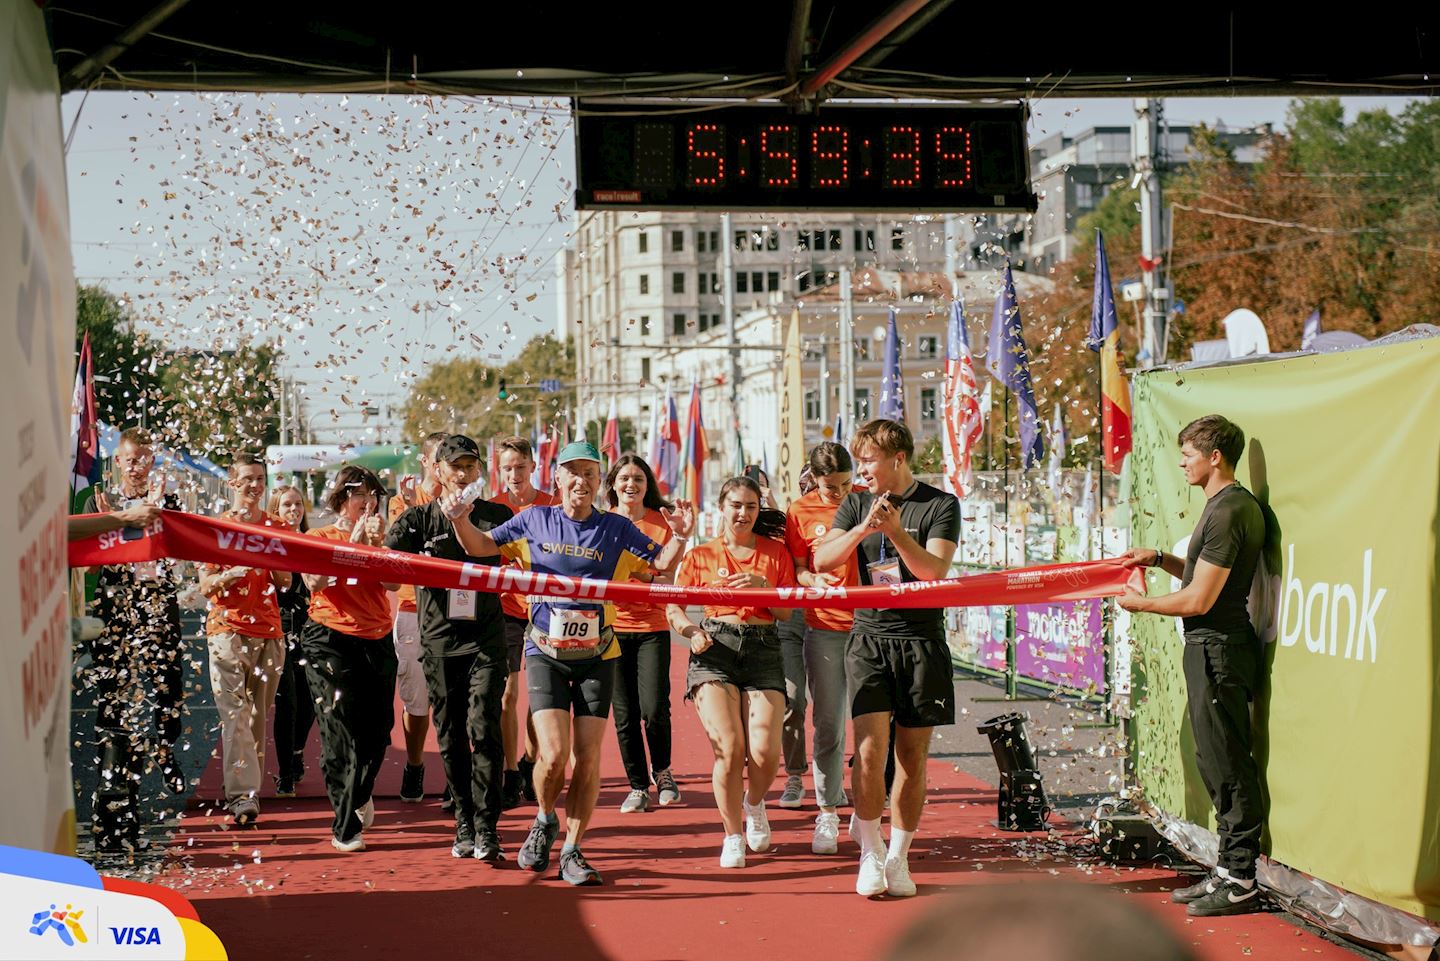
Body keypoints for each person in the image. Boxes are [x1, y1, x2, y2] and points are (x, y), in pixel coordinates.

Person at [448, 440, 693, 886]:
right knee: (554, 755)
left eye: (590, 473)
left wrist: (678, 534)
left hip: (599, 653)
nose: (581, 481)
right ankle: (543, 819)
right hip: (545, 651)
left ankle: (574, 849)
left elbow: (658, 564)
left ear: (600, 482)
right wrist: (460, 520)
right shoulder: (535, 518)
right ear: (557, 478)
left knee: (588, 758)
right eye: (572, 472)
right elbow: (482, 547)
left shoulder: (615, 527)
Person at [1117, 414, 1267, 918]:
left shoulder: (1230, 511)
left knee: (1228, 765)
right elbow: (1204, 577)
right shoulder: (1222, 508)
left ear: (1215, 457)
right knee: (1214, 761)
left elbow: (1201, 599)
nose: (1181, 463)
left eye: (1188, 454)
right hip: (1210, 648)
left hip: (1219, 647)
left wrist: (1141, 605)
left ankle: (1242, 878)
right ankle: (1227, 870)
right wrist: (1160, 558)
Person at [812, 419, 959, 898]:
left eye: (869, 459)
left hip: (922, 643)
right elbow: (822, 561)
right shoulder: (855, 501)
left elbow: (932, 570)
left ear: (898, 459)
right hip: (869, 638)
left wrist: (895, 532)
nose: (863, 469)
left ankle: (899, 856)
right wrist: (862, 529)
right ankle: (870, 850)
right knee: (870, 751)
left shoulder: (940, 504)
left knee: (912, 758)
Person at [386, 435, 513, 862]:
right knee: (453, 734)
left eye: (470, 467)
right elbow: (385, 571)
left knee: (484, 726)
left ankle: (488, 827)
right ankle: (463, 821)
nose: (462, 474)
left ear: (480, 471)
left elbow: (507, 555)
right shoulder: (416, 520)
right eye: (454, 466)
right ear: (437, 470)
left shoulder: (497, 514)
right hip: (439, 641)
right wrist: (369, 540)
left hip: (486, 639)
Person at [668, 476, 797, 869]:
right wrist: (691, 632)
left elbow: (786, 612)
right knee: (730, 748)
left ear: (759, 511)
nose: (743, 513)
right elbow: (673, 606)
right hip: (714, 648)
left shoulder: (775, 554)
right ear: (722, 507)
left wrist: (763, 588)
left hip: (763, 647)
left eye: (751, 507)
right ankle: (732, 835)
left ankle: (754, 804)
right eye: (736, 505)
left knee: (765, 752)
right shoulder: (700, 555)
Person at [79, 427, 188, 853]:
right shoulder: (98, 503)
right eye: (132, 459)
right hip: (115, 614)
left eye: (147, 458)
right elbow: (87, 570)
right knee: (116, 715)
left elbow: (181, 554)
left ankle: (165, 746)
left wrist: (159, 515)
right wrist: (110, 526)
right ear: (118, 463)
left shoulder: (167, 501)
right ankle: (114, 820)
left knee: (169, 698)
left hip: (158, 608)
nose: (139, 466)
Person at [301, 465, 401, 853]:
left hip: (375, 635)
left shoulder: (383, 538)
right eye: (361, 495)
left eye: (374, 496)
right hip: (329, 637)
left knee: (379, 730)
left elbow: (393, 583)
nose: (369, 503)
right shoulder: (320, 536)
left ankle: (359, 793)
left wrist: (376, 549)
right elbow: (314, 582)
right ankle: (344, 827)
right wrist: (351, 546)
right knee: (338, 729)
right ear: (343, 498)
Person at [196, 453, 291, 826]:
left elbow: (285, 582)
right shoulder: (215, 529)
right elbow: (205, 585)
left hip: (269, 632)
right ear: (232, 483)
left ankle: (248, 791)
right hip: (227, 630)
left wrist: (271, 561)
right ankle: (242, 797)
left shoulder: (276, 526)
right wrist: (229, 575)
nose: (254, 486)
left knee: (256, 718)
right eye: (248, 479)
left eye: (260, 479)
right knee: (234, 716)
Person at [785, 442, 861, 854]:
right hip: (826, 627)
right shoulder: (800, 512)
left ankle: (867, 806)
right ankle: (827, 811)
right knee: (829, 723)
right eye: (831, 486)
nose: (839, 493)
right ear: (814, 479)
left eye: (846, 484)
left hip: (871, 627)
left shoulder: (869, 502)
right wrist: (808, 580)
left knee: (872, 726)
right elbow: (797, 568)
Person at [605, 454, 683, 813]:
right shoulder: (602, 521)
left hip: (652, 627)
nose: (631, 485)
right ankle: (637, 785)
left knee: (654, 709)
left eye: (638, 478)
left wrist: (638, 576)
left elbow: (669, 578)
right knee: (624, 714)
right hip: (611, 628)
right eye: (624, 478)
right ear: (613, 484)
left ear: (647, 484)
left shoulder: (660, 523)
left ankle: (663, 772)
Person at [488, 435, 557, 808]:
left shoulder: (552, 504)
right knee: (507, 694)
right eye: (507, 468)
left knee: (539, 696)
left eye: (520, 466)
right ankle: (510, 774)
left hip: (550, 610)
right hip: (508, 611)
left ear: (534, 467)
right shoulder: (493, 508)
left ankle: (530, 760)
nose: (514, 474)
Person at [387, 431, 450, 804]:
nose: (448, 467)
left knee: (450, 698)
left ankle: (452, 774)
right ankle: (414, 765)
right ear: (426, 462)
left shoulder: (463, 502)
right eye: (440, 459)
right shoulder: (401, 502)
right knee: (416, 701)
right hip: (413, 610)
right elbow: (401, 554)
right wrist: (413, 508)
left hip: (453, 611)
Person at [746, 464, 809, 810]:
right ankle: (796, 776)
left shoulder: (837, 514)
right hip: (790, 621)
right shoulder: (780, 521)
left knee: (836, 709)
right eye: (804, 483)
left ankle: (835, 779)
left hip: (829, 619)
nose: (810, 487)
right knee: (795, 700)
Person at [268, 484, 315, 798]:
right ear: (275, 510)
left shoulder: (313, 541)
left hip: (312, 627)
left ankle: (297, 751)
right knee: (287, 701)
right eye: (286, 505)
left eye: (298, 504)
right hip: (280, 626)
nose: (294, 510)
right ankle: (285, 771)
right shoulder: (270, 543)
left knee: (310, 699)